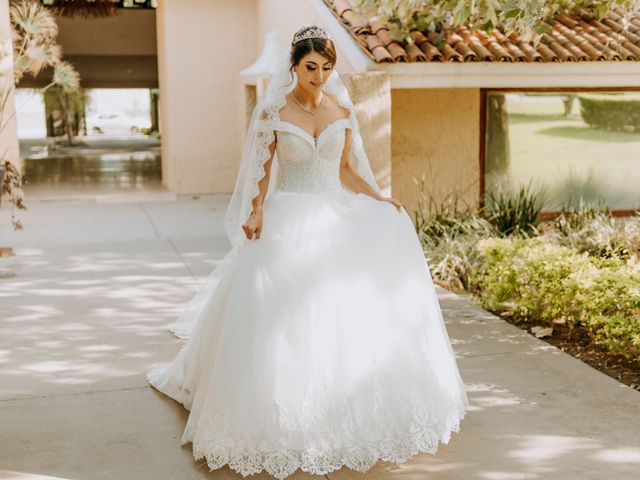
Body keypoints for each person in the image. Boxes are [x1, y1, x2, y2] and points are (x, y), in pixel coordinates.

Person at [147, 24, 469, 480]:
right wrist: (256, 210)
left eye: (326, 67)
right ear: (294, 66)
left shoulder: (341, 108)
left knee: (344, 311)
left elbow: (347, 172)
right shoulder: (276, 111)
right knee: (281, 315)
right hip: (287, 217)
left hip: (334, 217)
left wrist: (379, 200)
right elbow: (261, 171)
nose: (319, 76)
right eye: (310, 67)